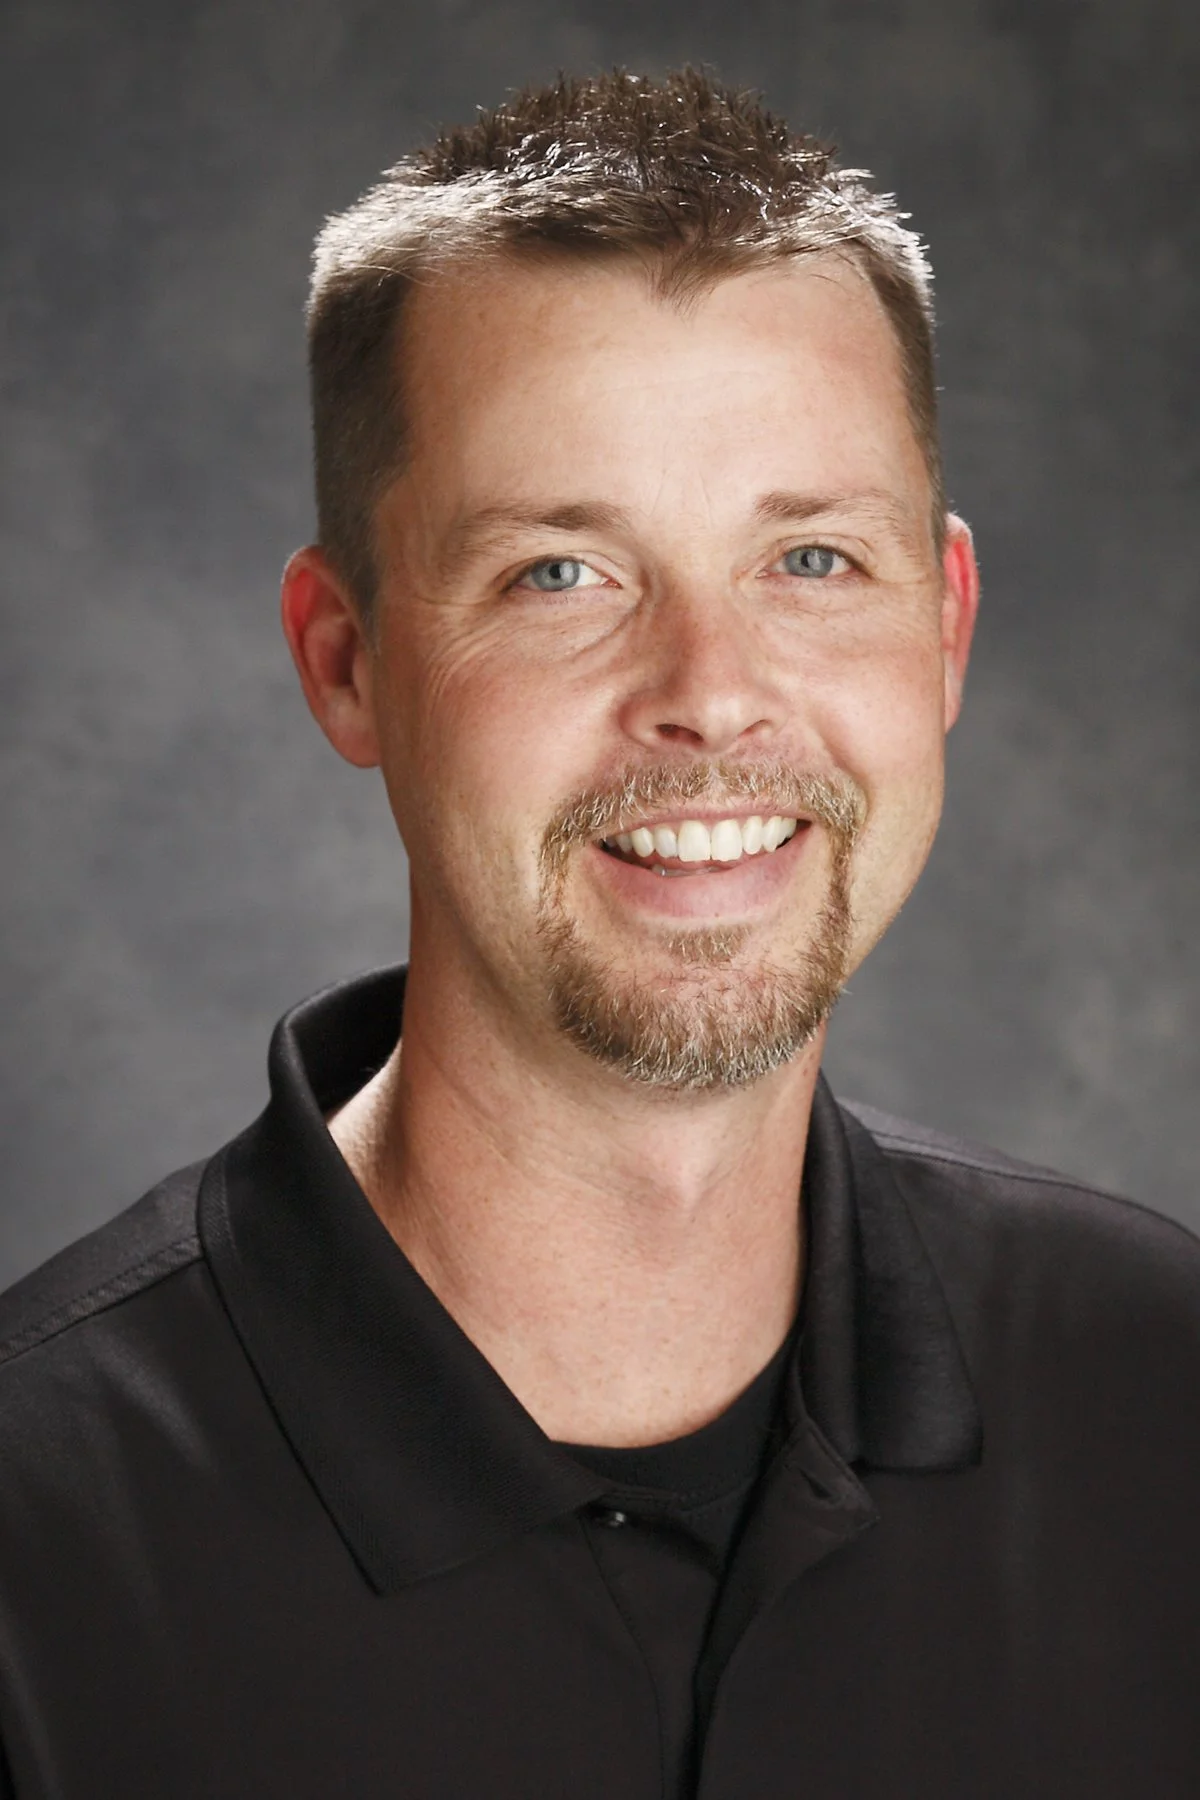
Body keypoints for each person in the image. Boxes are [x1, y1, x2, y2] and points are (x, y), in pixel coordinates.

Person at [0, 67, 1197, 1800]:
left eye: (811, 561)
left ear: (943, 631)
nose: (711, 694)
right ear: (346, 662)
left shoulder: (1161, 1397)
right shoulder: (38, 1543)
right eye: (560, 573)